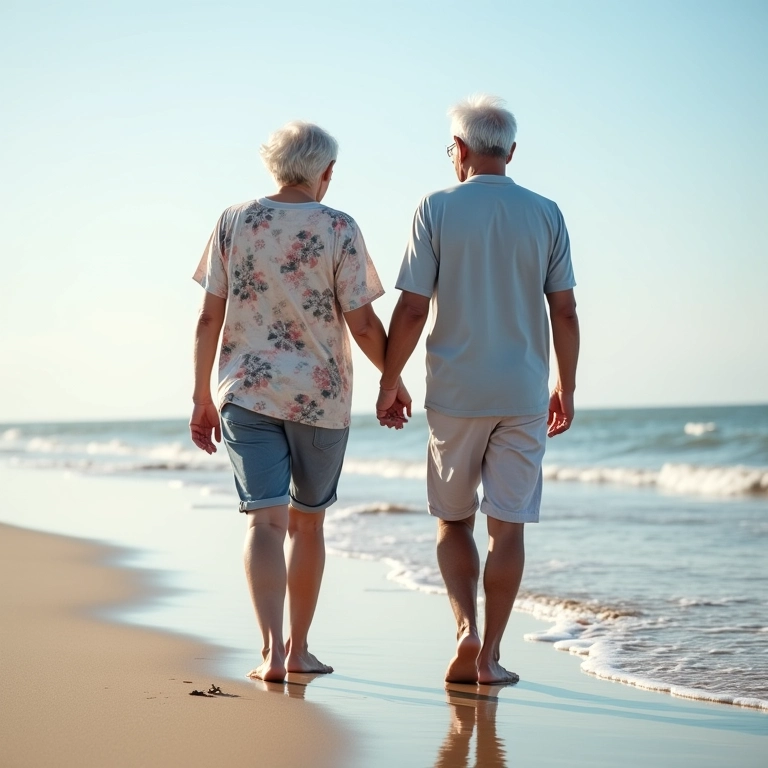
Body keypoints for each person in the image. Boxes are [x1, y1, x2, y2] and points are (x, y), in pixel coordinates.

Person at [189, 121, 409, 683]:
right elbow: (362, 322)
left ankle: (271, 655)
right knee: (307, 525)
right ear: (326, 171)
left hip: (246, 391)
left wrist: (200, 398)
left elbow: (209, 316)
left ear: (273, 166)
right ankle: (301, 648)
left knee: (263, 522)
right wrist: (393, 378)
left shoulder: (233, 220)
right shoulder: (340, 227)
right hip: (320, 397)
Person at [376, 95, 580, 685]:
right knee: (507, 527)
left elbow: (412, 307)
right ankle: (489, 657)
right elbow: (563, 311)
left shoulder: (435, 207)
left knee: (453, 522)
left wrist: (390, 380)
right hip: (521, 394)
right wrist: (565, 385)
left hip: (454, 393)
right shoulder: (547, 212)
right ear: (511, 152)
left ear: (458, 151)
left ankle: (463, 629)